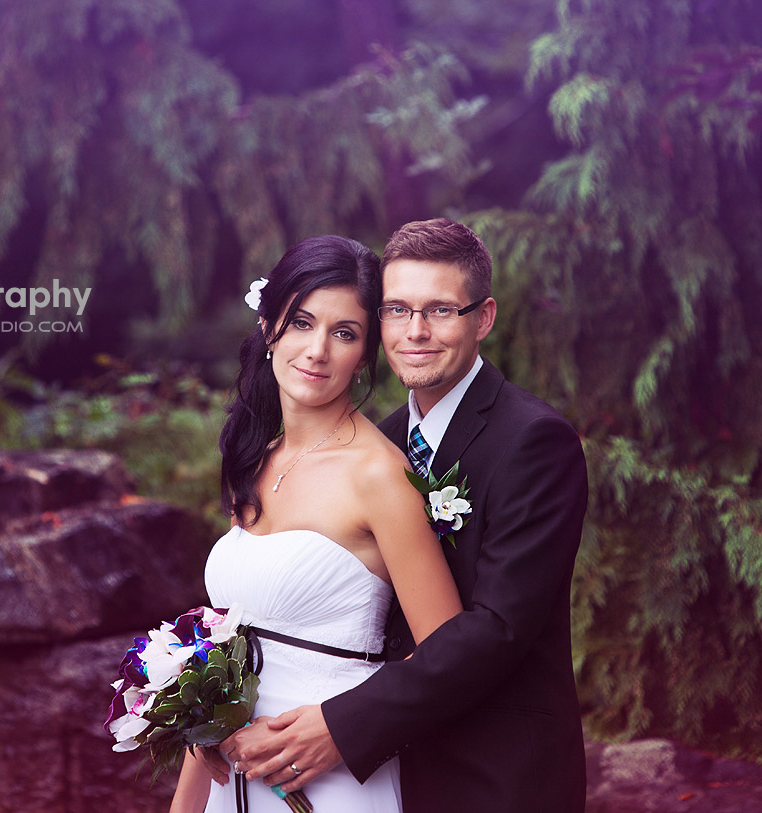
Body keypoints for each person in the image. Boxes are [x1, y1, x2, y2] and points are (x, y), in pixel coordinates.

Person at [220, 218, 589, 811]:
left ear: (483, 318)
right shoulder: (385, 441)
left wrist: (341, 725)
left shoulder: (533, 441)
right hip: (386, 764)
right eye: (397, 310)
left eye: (441, 310)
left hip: (493, 773)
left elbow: (499, 629)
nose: (416, 331)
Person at [169, 235, 463, 813]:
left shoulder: (379, 476)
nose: (318, 350)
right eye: (301, 322)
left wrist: (334, 730)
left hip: (327, 776)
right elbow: (225, 651)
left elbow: (447, 655)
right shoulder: (256, 457)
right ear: (268, 325)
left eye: (345, 332)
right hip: (230, 775)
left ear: (365, 353)